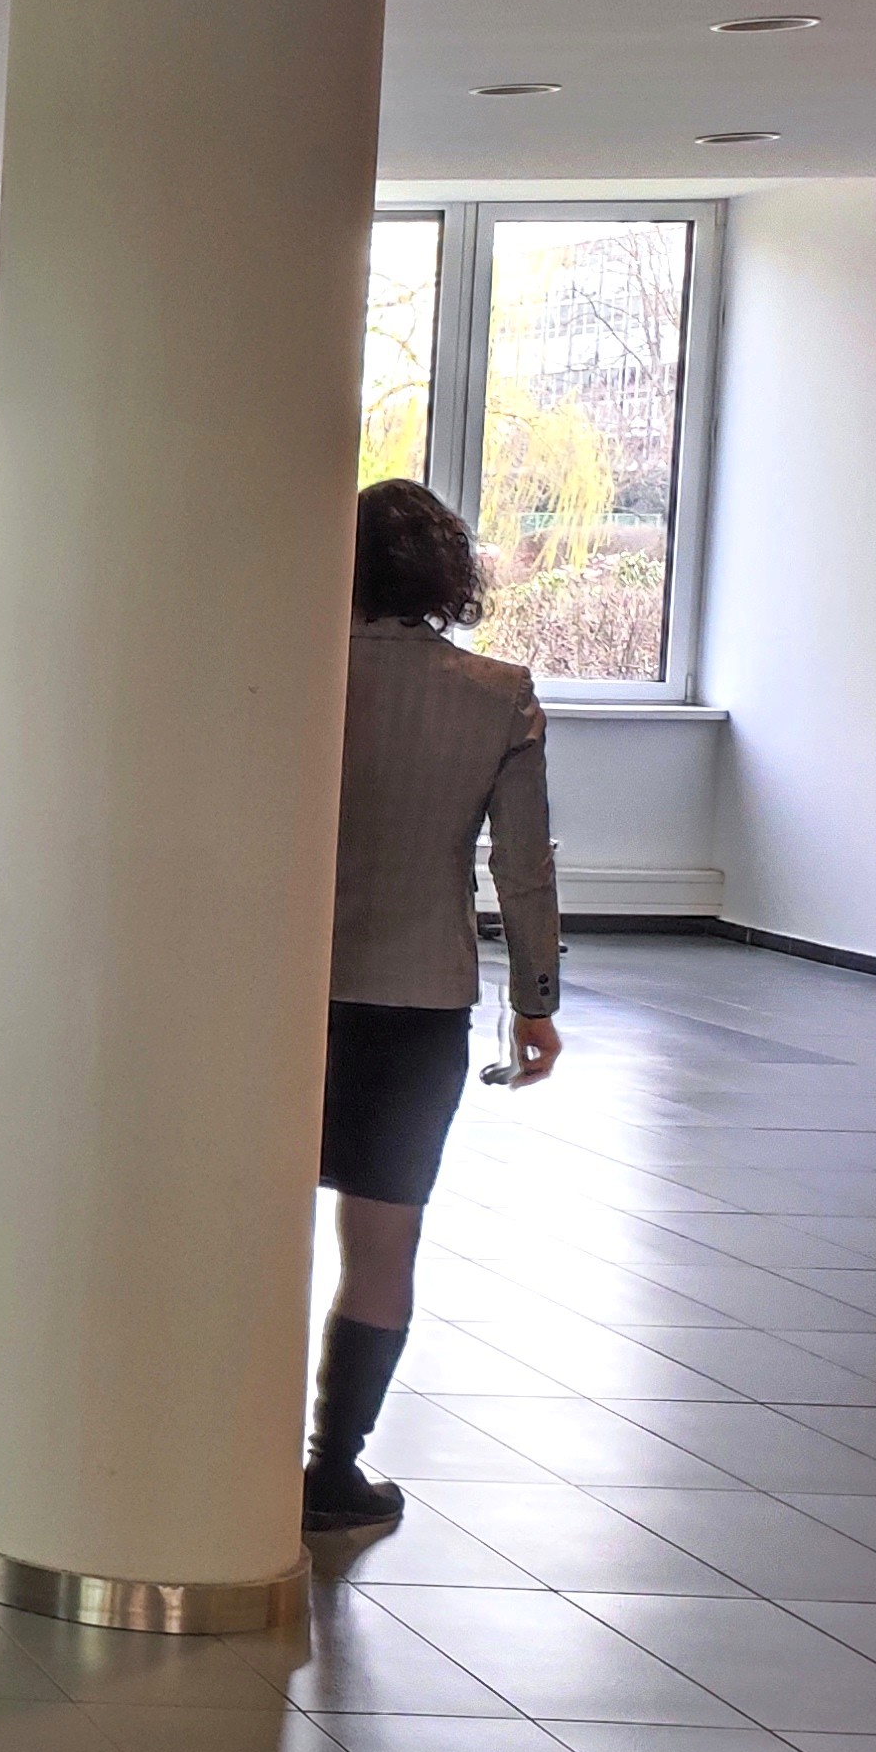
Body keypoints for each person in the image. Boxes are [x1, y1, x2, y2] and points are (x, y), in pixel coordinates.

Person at [309, 480, 564, 1536]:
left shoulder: (297, 675)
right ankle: (333, 1466)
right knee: (383, 1242)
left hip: (284, 994)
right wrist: (536, 1003)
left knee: (250, 1223)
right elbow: (523, 865)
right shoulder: (498, 694)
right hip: (418, 1003)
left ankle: (225, 1444)